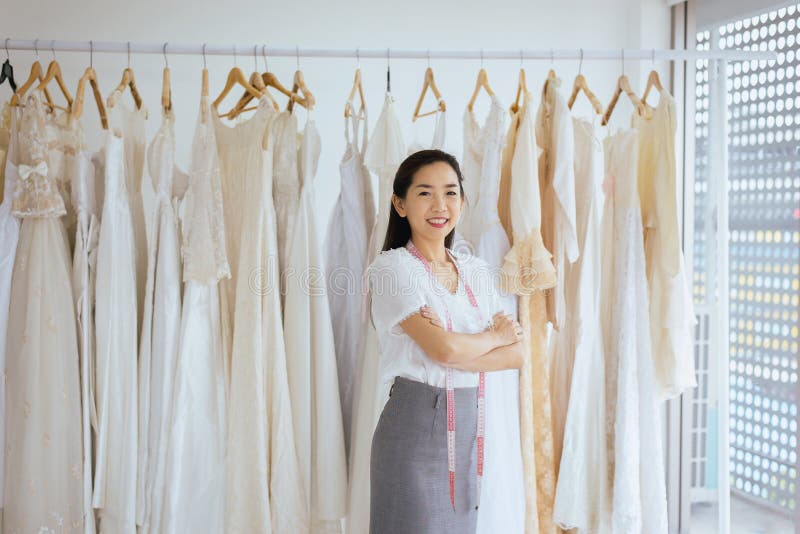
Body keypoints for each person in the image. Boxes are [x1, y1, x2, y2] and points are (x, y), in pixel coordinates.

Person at [367, 149, 525, 533]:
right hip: (415, 427)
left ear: (463, 201)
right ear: (399, 204)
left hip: (471, 422)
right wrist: (490, 338)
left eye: (451, 192)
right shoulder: (392, 268)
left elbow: (517, 354)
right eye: (424, 193)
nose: (440, 205)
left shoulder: (474, 270)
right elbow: (444, 350)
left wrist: (456, 347)